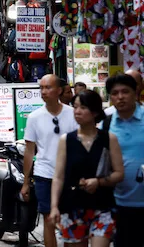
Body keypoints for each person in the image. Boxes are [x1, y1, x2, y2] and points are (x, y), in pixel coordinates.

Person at [50, 90, 124, 247]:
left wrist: (99, 182)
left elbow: (119, 173)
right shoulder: (66, 140)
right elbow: (58, 176)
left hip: (103, 205)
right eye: (75, 107)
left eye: (83, 107)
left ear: (95, 111)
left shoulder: (108, 138)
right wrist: (54, 206)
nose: (77, 111)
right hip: (72, 205)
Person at [20, 74, 80, 247]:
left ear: (59, 90)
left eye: (48, 87)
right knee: (48, 219)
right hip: (44, 174)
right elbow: (30, 151)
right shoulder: (34, 117)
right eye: (41, 88)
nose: (44, 91)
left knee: (69, 219)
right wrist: (25, 182)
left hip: (69, 176)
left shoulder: (72, 114)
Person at [103, 73, 144, 246]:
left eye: (125, 92)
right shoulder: (106, 123)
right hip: (119, 202)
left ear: (135, 92)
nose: (120, 97)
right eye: (115, 93)